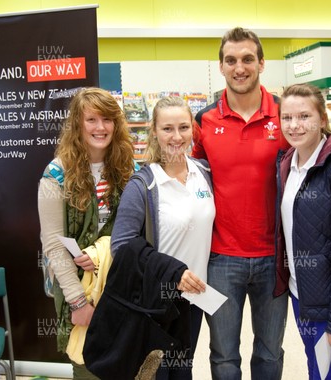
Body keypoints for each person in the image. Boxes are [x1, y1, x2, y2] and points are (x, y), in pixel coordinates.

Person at [192, 27, 289, 380]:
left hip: (275, 258)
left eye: (248, 58)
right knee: (223, 357)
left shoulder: (285, 116)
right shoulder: (204, 121)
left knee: (269, 354)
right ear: (221, 67)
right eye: (231, 60)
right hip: (220, 259)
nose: (240, 67)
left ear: (261, 63)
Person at [111, 96, 215, 379]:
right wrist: (171, 273)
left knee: (183, 371)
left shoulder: (203, 173)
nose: (176, 136)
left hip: (194, 301)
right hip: (156, 302)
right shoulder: (143, 185)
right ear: (154, 131)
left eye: (183, 127)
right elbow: (121, 246)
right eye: (167, 128)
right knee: (157, 373)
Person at [37, 87, 135, 379]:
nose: (100, 127)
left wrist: (101, 249)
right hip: (79, 288)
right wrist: (78, 302)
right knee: (87, 363)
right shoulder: (56, 175)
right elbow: (54, 245)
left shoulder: (128, 168)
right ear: (77, 124)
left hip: (119, 283)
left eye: (107, 119)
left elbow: (136, 227)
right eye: (91, 119)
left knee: (126, 362)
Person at [276, 83, 331, 379]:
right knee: (317, 371)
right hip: (302, 296)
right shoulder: (289, 162)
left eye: (304, 116)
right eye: (287, 117)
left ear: (323, 119)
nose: (294, 125)